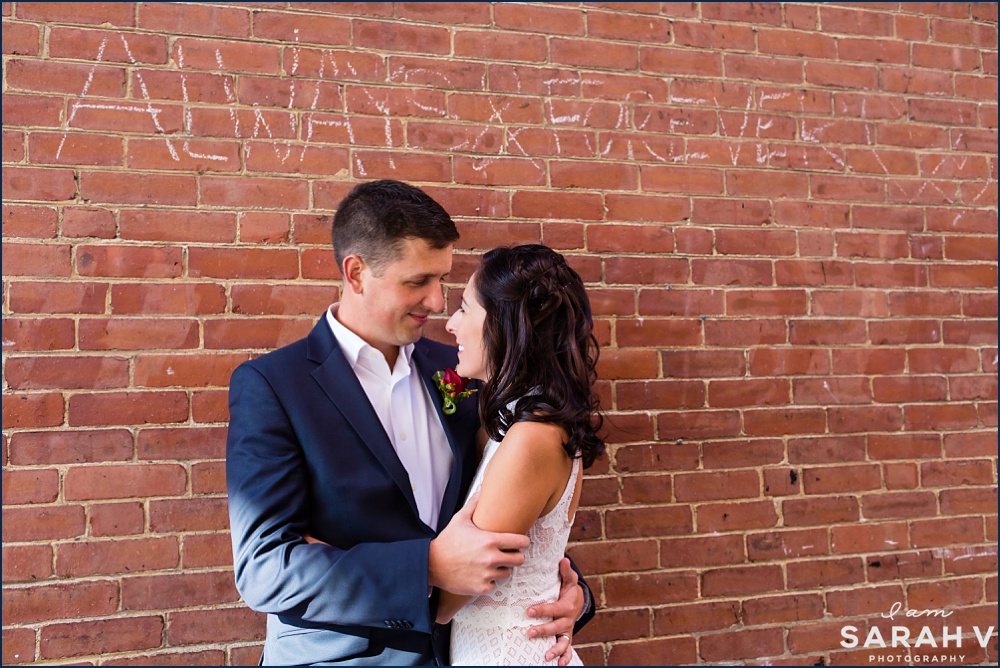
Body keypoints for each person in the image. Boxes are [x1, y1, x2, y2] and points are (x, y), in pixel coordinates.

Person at [226, 180, 594, 666]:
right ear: (356, 273)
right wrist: (429, 567)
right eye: (418, 281)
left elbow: (515, 504)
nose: (438, 302)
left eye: (443, 280)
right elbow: (264, 568)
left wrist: (571, 596)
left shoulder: (462, 369)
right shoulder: (274, 386)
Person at [437, 244, 605, 666]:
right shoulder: (516, 423)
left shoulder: (532, 439)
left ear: (503, 326)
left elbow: (447, 600)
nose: (450, 323)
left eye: (464, 308)